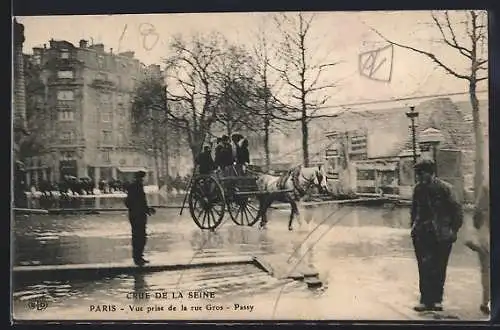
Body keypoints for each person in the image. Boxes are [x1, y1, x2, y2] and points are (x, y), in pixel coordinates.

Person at [410, 159, 463, 312]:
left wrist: (453, 230)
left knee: (439, 267)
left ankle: (437, 300)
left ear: (430, 172)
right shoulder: (418, 189)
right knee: (424, 267)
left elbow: (457, 211)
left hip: (441, 234)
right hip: (422, 234)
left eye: (421, 173)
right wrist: (413, 228)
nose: (418, 177)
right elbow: (414, 211)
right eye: (417, 173)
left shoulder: (446, 188)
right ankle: (425, 300)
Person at [465, 184, 490, 315]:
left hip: (486, 232)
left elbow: (478, 211)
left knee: (486, 269)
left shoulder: (487, 186)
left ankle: (487, 302)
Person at [124, 170, 156, 266]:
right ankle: (138, 257)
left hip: (134, 215)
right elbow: (141, 202)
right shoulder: (137, 187)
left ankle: (137, 257)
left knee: (137, 236)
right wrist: (146, 210)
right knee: (140, 237)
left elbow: (128, 202)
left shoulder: (133, 187)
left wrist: (145, 209)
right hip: (139, 215)